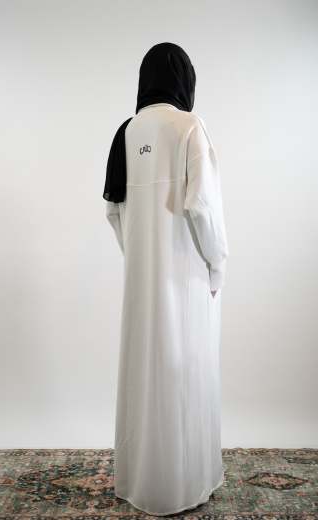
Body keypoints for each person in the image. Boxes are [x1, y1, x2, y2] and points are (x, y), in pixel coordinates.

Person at [103, 42, 229, 516]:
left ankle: (140, 482)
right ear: (185, 80)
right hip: (187, 280)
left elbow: (113, 209)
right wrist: (217, 264)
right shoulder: (189, 127)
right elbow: (204, 207)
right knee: (185, 375)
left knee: (144, 376)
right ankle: (185, 485)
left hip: (141, 282)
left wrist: (139, 256)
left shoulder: (126, 132)